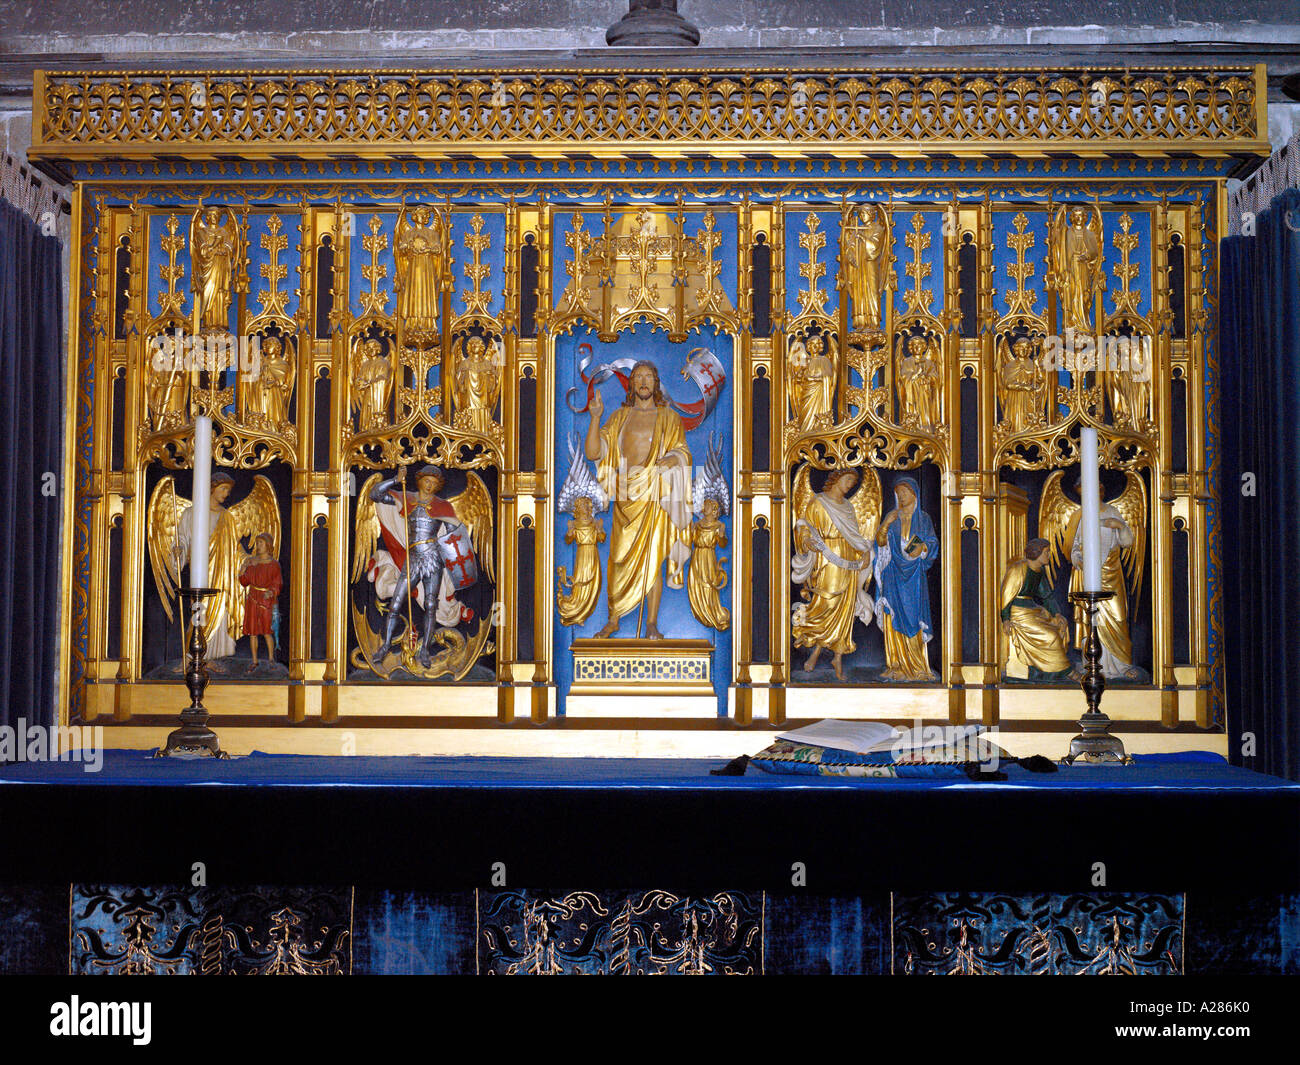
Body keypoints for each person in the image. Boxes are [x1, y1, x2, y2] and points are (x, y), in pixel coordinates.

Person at [584, 360, 692, 640]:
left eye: (649, 377)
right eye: (638, 377)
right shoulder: (620, 417)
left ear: (656, 384)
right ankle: (614, 618)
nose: (643, 382)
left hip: (655, 493)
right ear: (631, 384)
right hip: (626, 492)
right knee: (618, 556)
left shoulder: (669, 418)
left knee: (653, 558)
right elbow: (594, 453)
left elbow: (683, 453)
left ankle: (652, 622)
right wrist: (596, 418)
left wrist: (672, 459)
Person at [369, 465, 468, 666]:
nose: (430, 486)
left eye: (434, 483)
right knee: (396, 602)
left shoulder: (443, 506)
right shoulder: (407, 497)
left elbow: (454, 536)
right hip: (412, 556)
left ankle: (425, 650)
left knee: (431, 605)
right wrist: (396, 480)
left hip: (432, 558)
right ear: (420, 480)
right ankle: (386, 645)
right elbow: (375, 494)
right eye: (427, 481)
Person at [791, 468, 873, 681]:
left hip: (847, 558)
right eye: (847, 480)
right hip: (827, 559)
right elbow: (804, 527)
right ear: (836, 479)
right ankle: (816, 652)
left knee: (845, 608)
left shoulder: (847, 506)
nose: (849, 486)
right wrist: (807, 541)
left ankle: (837, 656)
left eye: (852, 483)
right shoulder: (818, 502)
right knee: (826, 604)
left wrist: (864, 552)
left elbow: (855, 534)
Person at [874, 477, 939, 681]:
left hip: (913, 576)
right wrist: (886, 523)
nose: (901, 496)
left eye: (905, 492)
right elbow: (880, 542)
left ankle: (918, 665)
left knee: (913, 616)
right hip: (893, 572)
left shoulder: (924, 519)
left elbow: (931, 542)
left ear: (914, 494)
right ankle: (896, 664)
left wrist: (922, 548)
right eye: (898, 492)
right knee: (892, 617)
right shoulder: (892, 516)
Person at [1000, 538, 1075, 681]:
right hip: (1019, 613)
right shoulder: (1018, 569)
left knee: (1059, 626)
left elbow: (1047, 596)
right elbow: (1006, 596)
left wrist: (1057, 613)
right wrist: (1006, 619)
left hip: (1033, 611)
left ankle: (1047, 671)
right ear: (1036, 553)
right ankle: (1065, 671)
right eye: (1046, 552)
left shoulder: (1039, 571)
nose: (1049, 555)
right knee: (1050, 636)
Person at [239, 533, 282, 671]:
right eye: (257, 543)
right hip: (253, 599)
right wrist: (243, 570)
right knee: (253, 632)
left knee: (266, 631)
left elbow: (277, 582)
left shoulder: (273, 564)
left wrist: (272, 592)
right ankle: (254, 661)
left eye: (261, 543)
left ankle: (271, 659)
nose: (258, 545)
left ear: (268, 545)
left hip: (265, 600)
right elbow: (244, 582)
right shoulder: (253, 562)